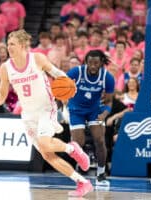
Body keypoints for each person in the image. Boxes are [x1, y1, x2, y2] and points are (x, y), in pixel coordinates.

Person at [0, 29, 93, 197]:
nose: (9, 47)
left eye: (12, 44)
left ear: (23, 45)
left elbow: (57, 74)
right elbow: (2, 94)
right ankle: (83, 182)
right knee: (47, 155)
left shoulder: (37, 58)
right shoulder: (5, 68)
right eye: (8, 44)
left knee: (45, 144)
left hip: (46, 107)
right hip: (28, 114)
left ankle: (72, 148)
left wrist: (69, 85)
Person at [66, 50, 115, 185]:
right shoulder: (76, 72)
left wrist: (104, 115)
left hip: (95, 110)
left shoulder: (107, 77)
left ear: (101, 63)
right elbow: (62, 85)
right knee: (78, 143)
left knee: (99, 140)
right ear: (86, 62)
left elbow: (109, 101)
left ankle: (101, 173)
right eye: (90, 63)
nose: (93, 66)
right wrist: (61, 100)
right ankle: (81, 166)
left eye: (96, 63)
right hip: (76, 109)